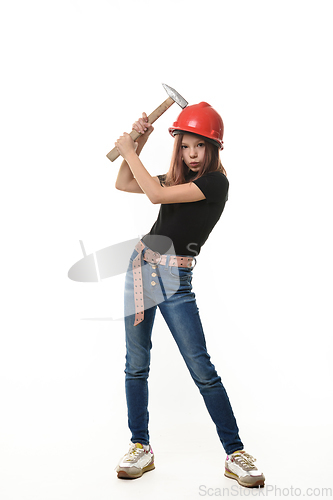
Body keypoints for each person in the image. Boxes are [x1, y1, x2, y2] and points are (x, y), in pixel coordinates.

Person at [113, 102, 265, 488]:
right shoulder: (177, 179)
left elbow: (153, 196)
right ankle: (140, 446)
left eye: (199, 146)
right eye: (185, 146)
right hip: (141, 270)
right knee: (136, 364)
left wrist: (129, 150)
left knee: (202, 369)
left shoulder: (215, 183)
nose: (192, 154)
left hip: (176, 281)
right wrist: (141, 141)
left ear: (214, 147)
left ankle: (235, 453)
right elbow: (127, 183)